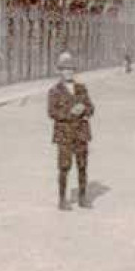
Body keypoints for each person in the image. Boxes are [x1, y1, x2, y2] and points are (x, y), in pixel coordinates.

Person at [47, 51, 95, 210]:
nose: (68, 72)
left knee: (82, 166)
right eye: (65, 69)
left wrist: (85, 109)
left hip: (81, 133)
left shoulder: (81, 88)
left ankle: (82, 198)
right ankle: (62, 200)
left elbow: (91, 107)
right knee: (64, 167)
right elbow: (52, 112)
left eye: (71, 69)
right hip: (64, 134)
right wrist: (70, 113)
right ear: (60, 71)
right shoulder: (54, 91)